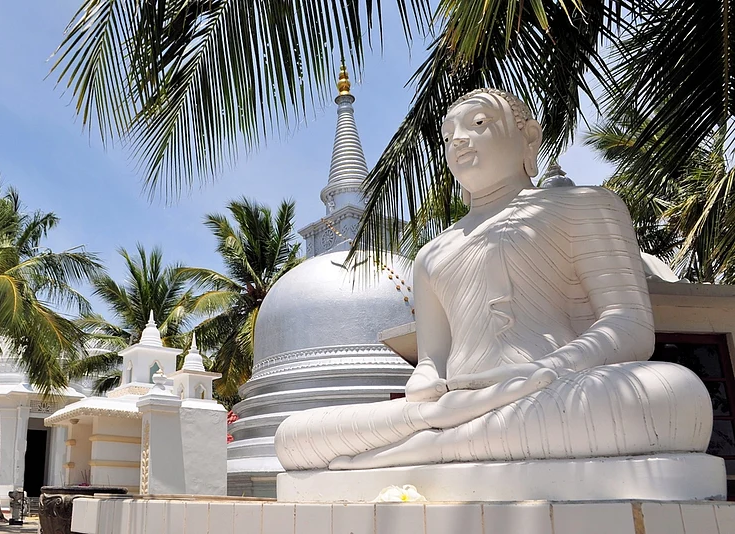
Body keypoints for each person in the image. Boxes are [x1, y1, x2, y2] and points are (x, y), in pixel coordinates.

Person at [275, 89, 712, 471]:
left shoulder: (586, 205)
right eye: (448, 135)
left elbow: (629, 324)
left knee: (672, 394)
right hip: (456, 404)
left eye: (479, 124)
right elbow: (432, 360)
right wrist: (425, 383)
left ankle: (423, 449)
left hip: (548, 389)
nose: (458, 140)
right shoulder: (431, 253)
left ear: (529, 137)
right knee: (292, 436)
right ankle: (440, 438)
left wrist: (548, 369)